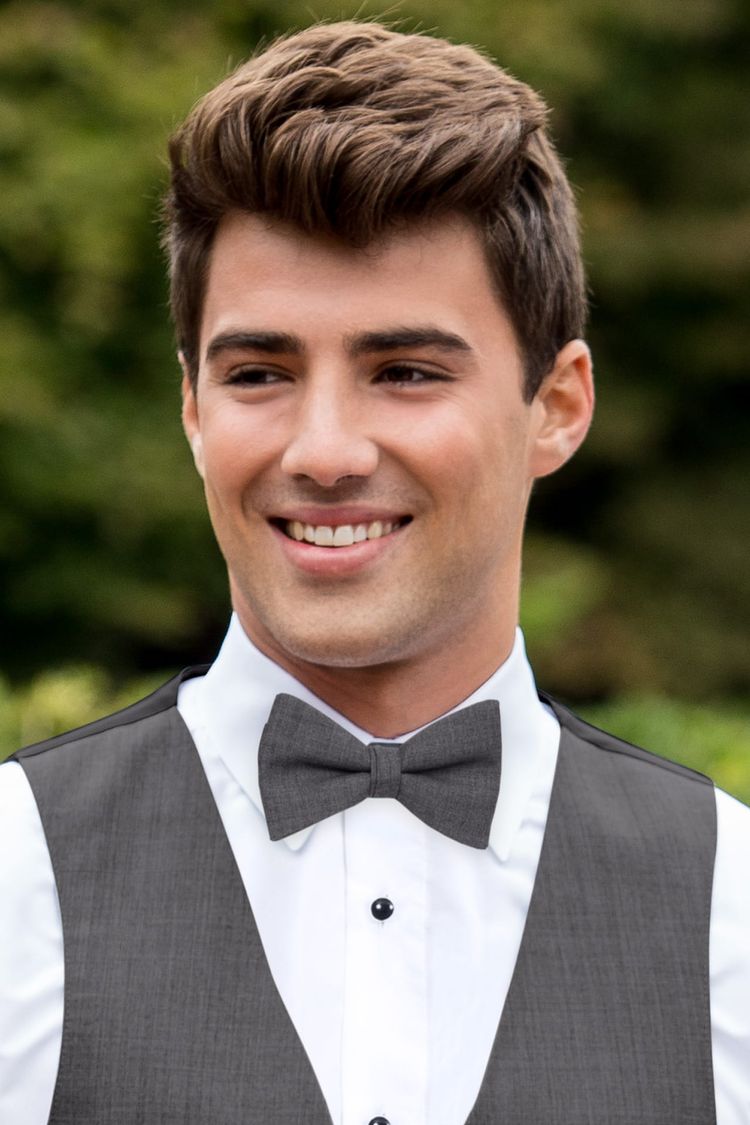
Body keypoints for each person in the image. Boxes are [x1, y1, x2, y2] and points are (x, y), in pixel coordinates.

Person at [0, 19, 748, 1125]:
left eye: (403, 370)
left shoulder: (732, 903)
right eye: (259, 372)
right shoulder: (14, 882)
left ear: (558, 406)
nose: (326, 451)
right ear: (193, 409)